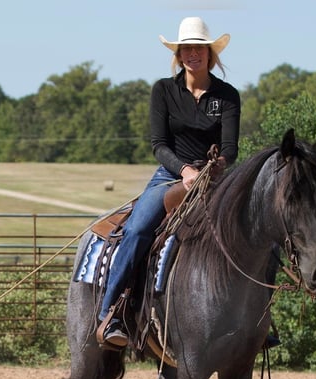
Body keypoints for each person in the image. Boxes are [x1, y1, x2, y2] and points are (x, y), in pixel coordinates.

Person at [97, 16, 240, 348]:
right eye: (186, 49)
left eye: (199, 48)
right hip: (169, 177)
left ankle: (255, 322)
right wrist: (185, 171)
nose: (193, 54)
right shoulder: (163, 90)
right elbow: (159, 145)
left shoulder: (227, 96)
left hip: (214, 177)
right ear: (179, 55)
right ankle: (110, 313)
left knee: (249, 225)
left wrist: (212, 168)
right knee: (136, 229)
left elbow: (230, 148)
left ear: (210, 54)